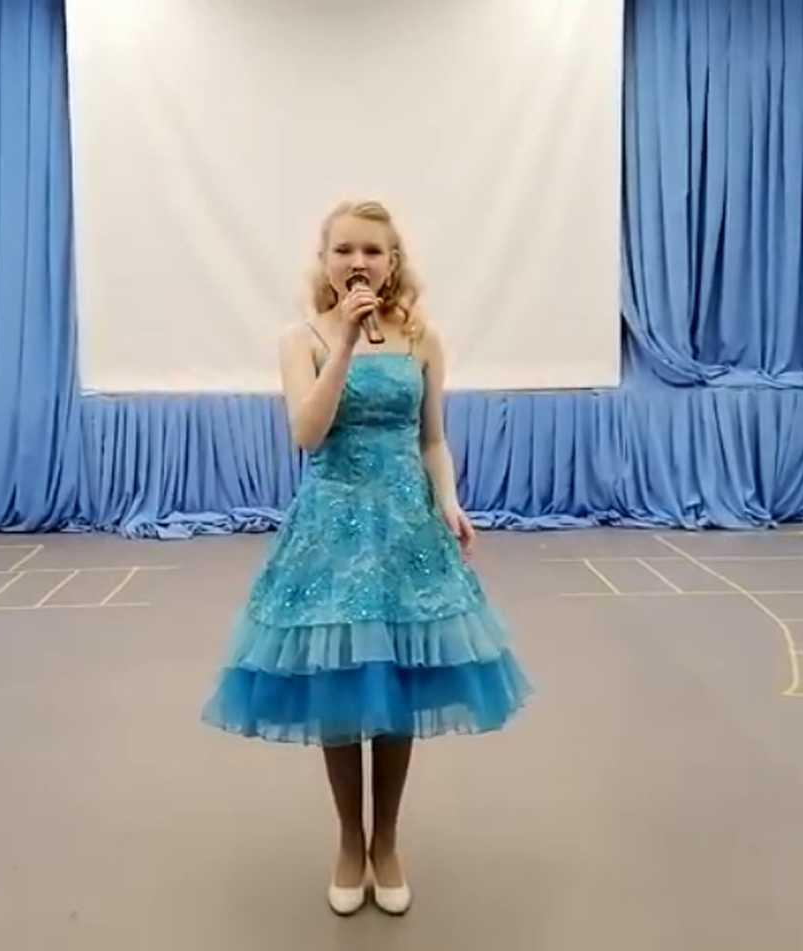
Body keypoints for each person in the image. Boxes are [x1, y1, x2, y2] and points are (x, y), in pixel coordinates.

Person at [201, 200, 532, 916]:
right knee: (342, 683)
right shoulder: (302, 339)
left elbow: (432, 439)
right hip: (332, 532)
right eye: (345, 249)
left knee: (398, 687)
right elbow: (307, 433)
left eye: (373, 251)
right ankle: (350, 841)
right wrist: (346, 343)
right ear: (325, 262)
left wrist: (450, 501)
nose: (359, 262)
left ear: (392, 262)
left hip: (406, 529)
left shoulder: (423, 340)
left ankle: (387, 841)